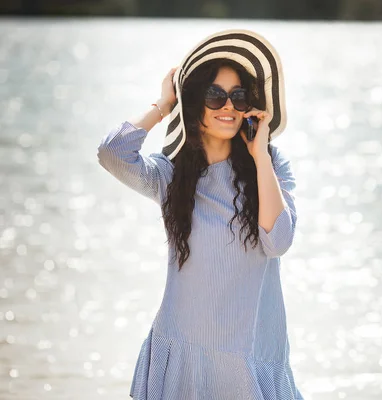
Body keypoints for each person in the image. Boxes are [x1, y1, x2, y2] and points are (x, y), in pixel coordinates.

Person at [97, 29, 303, 400]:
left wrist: (260, 155)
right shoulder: (170, 175)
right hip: (182, 349)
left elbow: (278, 241)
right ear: (194, 104)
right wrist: (162, 104)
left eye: (238, 96)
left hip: (249, 355)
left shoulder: (270, 166)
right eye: (215, 95)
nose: (228, 106)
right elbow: (112, 153)